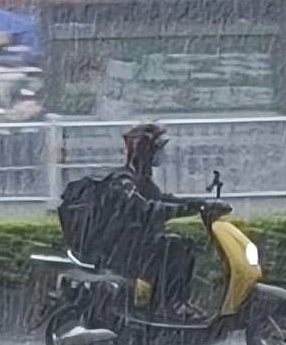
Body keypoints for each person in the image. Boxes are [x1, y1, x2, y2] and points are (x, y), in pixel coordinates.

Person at [62, 123, 216, 320]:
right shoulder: (123, 181)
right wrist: (186, 209)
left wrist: (198, 204)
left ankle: (166, 304)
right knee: (177, 248)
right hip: (118, 251)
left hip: (132, 244)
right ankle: (172, 306)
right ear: (146, 151)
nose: (162, 155)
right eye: (157, 150)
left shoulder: (141, 179)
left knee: (180, 244)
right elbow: (146, 209)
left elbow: (161, 200)